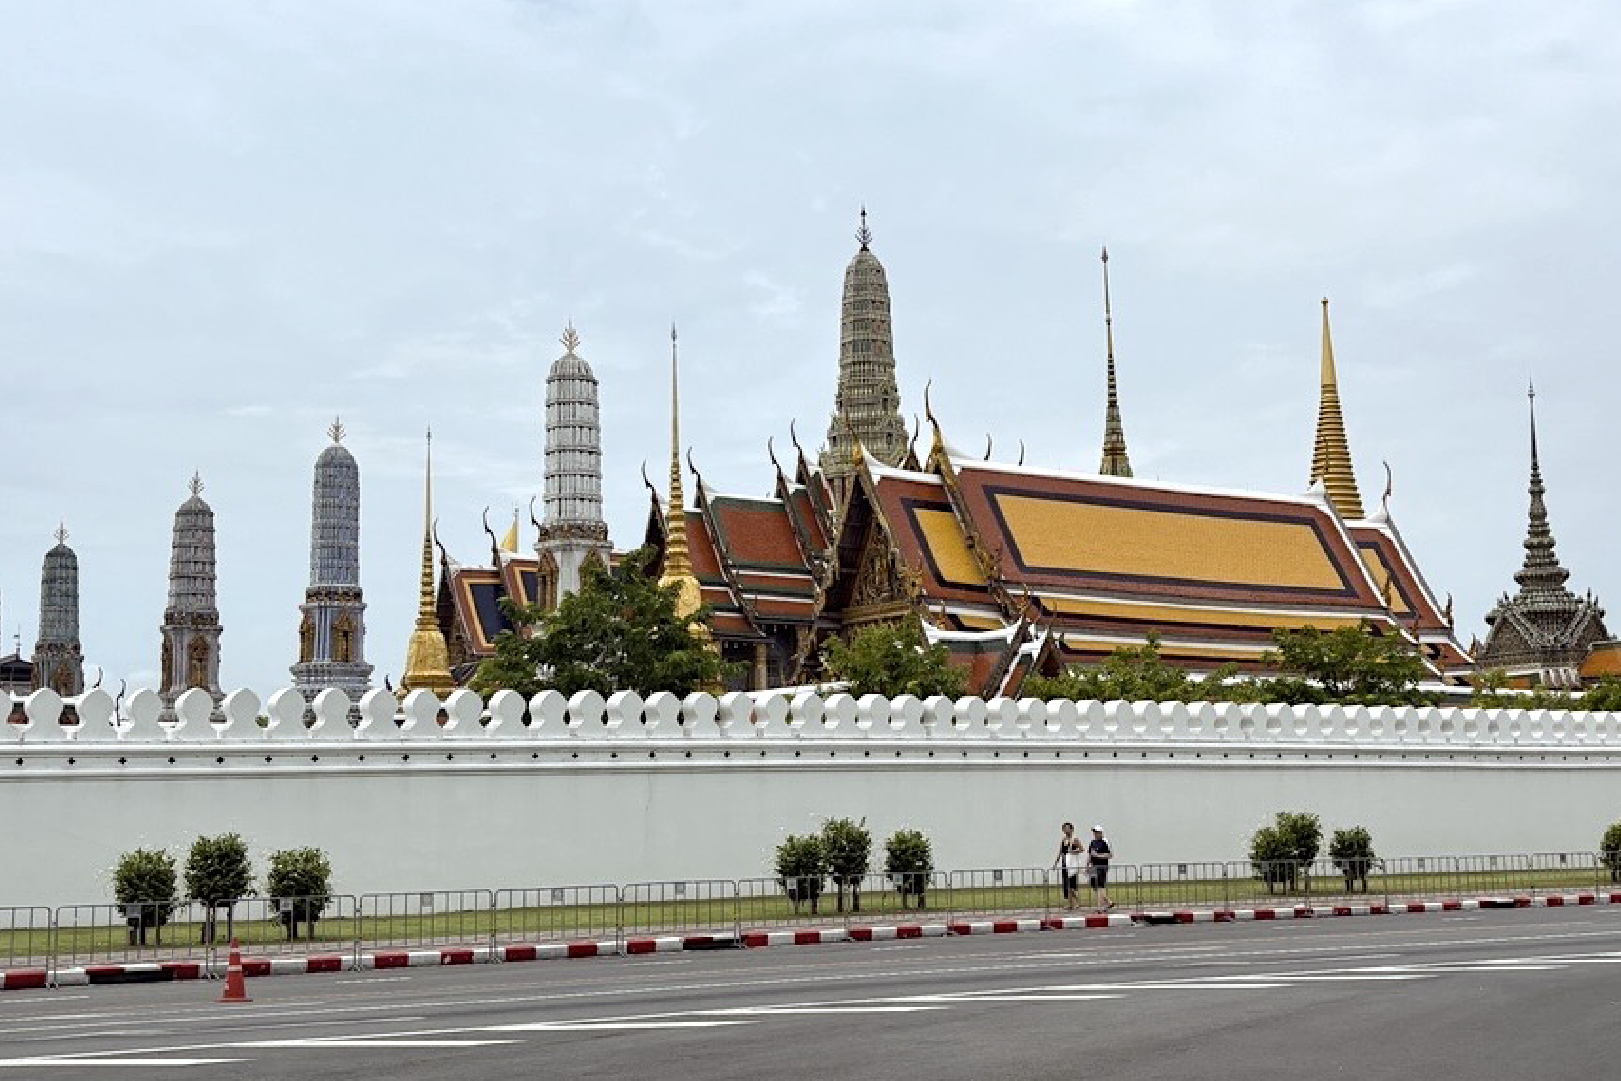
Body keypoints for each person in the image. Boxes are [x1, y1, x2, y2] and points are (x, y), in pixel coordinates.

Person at [1053, 822, 1084, 910]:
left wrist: (1073, 851)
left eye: (1068, 828)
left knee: (1072, 884)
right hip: (1064, 863)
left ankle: (1077, 902)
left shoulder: (1075, 839)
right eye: (1064, 828)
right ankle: (1070, 904)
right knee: (1066, 884)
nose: (1066, 830)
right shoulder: (1063, 839)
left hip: (1072, 864)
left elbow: (1082, 849)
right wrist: (1056, 862)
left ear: (1071, 829)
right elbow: (1060, 851)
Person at [1087, 825, 1115, 912]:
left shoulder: (1105, 841)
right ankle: (1108, 902)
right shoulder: (1092, 842)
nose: (1095, 834)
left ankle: (1100, 907)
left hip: (1102, 866)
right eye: (1094, 832)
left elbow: (1110, 855)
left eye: (1097, 832)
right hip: (1093, 866)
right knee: (1093, 885)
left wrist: (1098, 855)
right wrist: (1087, 864)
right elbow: (1090, 854)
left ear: (1101, 833)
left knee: (1100, 886)